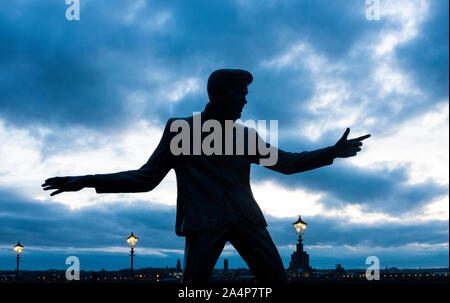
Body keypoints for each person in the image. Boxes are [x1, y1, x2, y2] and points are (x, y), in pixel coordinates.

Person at [42, 69, 370, 283]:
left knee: (276, 283)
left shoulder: (246, 136)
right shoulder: (180, 130)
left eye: (245, 95)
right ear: (218, 95)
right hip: (202, 222)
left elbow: (285, 162)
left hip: (247, 220)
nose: (244, 100)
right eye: (239, 94)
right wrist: (87, 180)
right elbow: (145, 179)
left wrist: (331, 152)